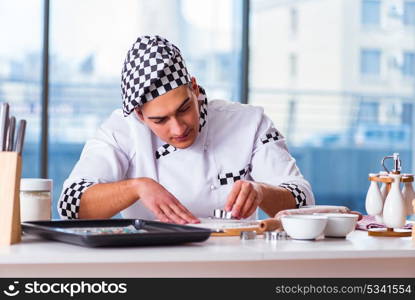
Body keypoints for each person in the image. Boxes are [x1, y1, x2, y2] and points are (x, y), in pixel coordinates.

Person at [58, 35, 314, 224]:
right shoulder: (120, 132)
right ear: (140, 115)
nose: (178, 127)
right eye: (160, 120)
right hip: (150, 265)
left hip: (237, 262)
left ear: (193, 87)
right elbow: (70, 205)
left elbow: (303, 200)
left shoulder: (251, 122)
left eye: (184, 109)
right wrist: (138, 187)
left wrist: (261, 191)